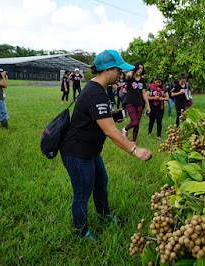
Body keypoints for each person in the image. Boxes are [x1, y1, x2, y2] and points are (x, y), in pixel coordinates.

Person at [60, 50, 152, 240]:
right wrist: (135, 150)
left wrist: (116, 114)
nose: (121, 74)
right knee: (81, 194)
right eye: (118, 70)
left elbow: (98, 116)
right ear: (108, 70)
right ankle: (81, 232)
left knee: (101, 183)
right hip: (77, 152)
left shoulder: (98, 89)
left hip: (91, 150)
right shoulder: (96, 93)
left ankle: (103, 216)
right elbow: (110, 131)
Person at [122, 63, 150, 145]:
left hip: (140, 103)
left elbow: (144, 93)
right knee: (134, 122)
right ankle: (125, 129)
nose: (140, 70)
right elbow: (127, 76)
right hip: (130, 102)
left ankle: (134, 141)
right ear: (135, 68)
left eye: (142, 68)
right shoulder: (130, 77)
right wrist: (131, 71)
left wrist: (148, 105)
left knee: (137, 123)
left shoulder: (142, 80)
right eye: (139, 68)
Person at [146, 75, 169, 140]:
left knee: (159, 121)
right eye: (156, 82)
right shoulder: (150, 87)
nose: (158, 84)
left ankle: (159, 135)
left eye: (159, 82)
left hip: (160, 106)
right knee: (151, 120)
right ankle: (149, 132)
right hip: (152, 106)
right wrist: (154, 98)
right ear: (154, 81)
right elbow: (146, 96)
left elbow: (167, 97)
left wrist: (163, 98)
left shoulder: (164, 88)